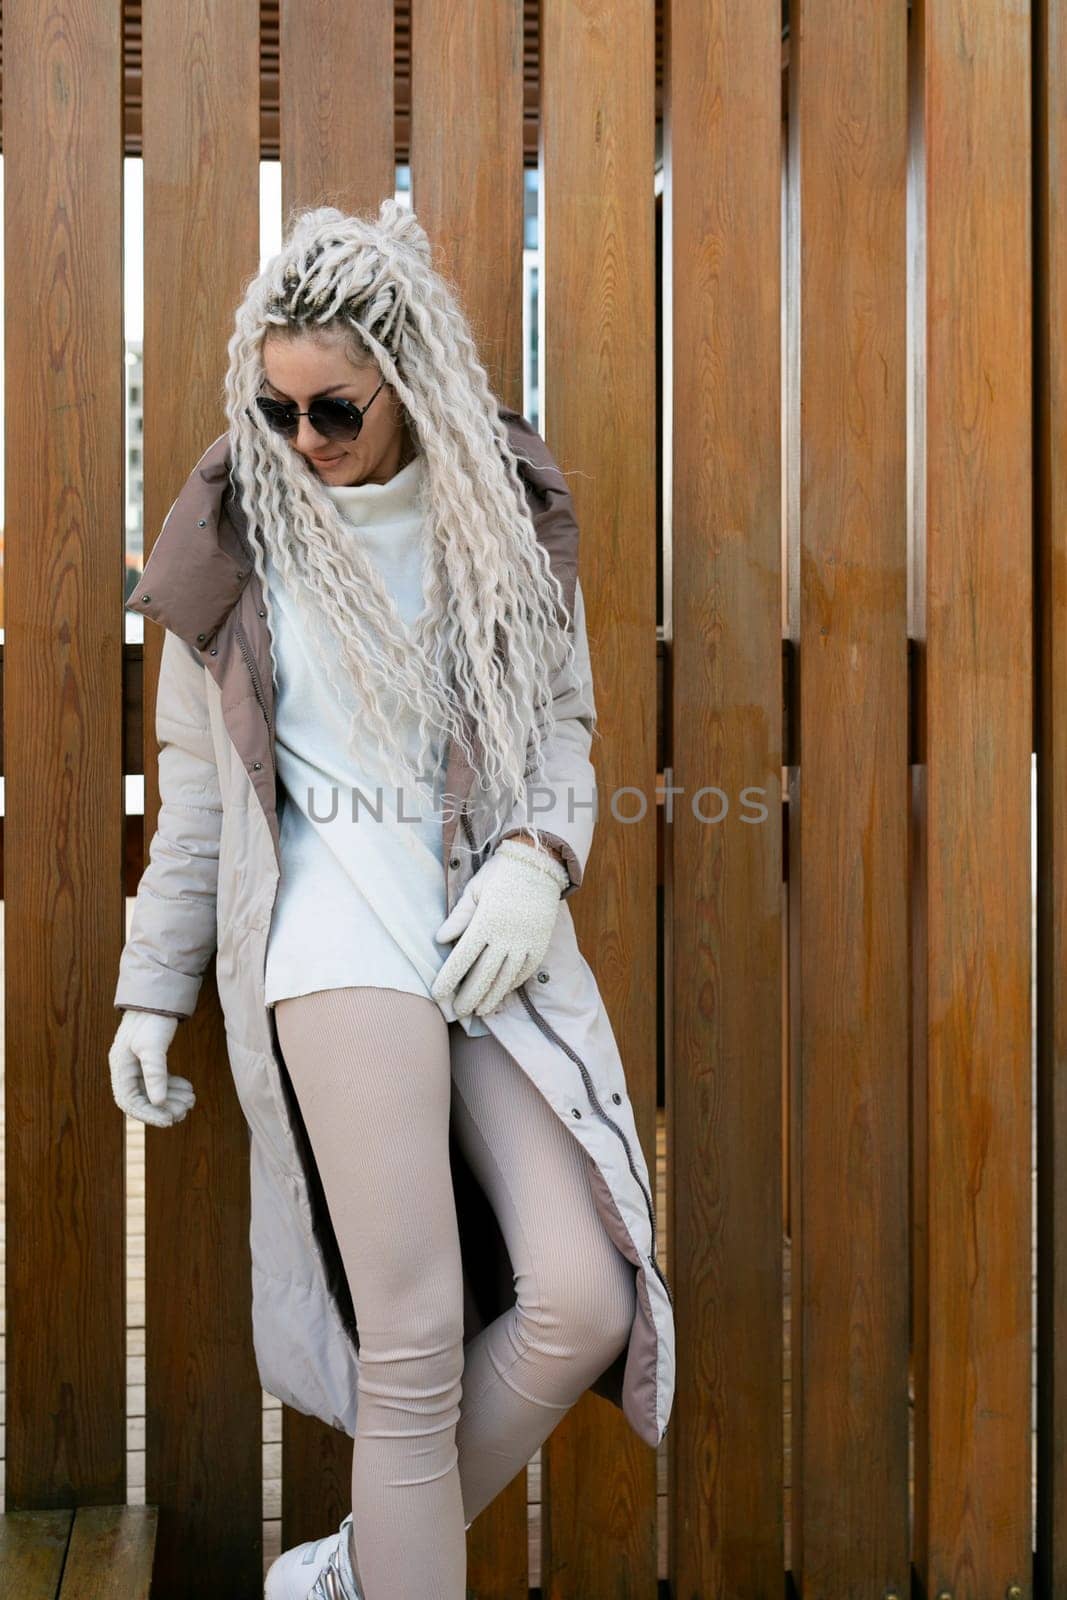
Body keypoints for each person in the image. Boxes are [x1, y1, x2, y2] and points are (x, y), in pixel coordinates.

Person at [108, 199, 674, 1600]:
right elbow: (199, 801)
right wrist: (147, 987)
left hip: (480, 940)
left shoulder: (504, 513)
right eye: (274, 406)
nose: (301, 441)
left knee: (583, 1298)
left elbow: (560, 729)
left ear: (408, 383)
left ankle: (357, 1572)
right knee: (413, 1342)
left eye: (336, 412)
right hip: (333, 948)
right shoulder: (237, 531)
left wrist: (539, 867)